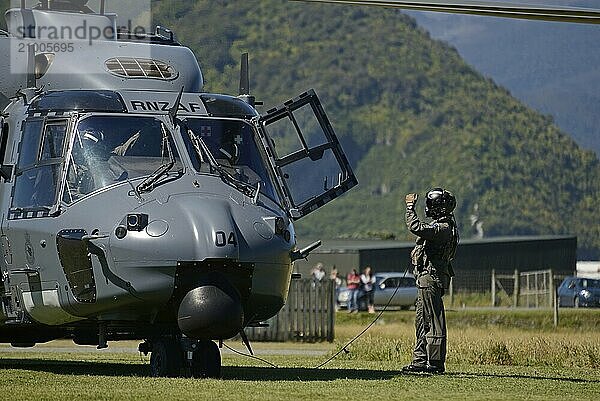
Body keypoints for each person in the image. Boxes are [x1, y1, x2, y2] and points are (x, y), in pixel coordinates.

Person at [402, 188, 459, 374]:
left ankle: (434, 363)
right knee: (421, 320)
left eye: (431, 205)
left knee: (432, 321)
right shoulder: (445, 226)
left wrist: (410, 208)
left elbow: (416, 227)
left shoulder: (443, 228)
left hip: (430, 278)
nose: (429, 208)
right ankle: (420, 361)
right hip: (426, 279)